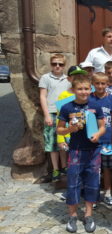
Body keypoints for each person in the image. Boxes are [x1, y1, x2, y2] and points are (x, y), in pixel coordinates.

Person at [56, 75, 106, 233]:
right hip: (76, 150)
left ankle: (88, 215)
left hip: (93, 150)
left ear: (90, 88)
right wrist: (70, 130)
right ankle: (72, 216)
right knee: (73, 183)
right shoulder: (67, 107)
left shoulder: (95, 105)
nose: (83, 92)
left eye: (86, 88)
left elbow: (103, 126)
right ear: (74, 89)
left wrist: (98, 135)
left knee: (92, 183)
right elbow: (59, 129)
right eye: (80, 89)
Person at [89, 72, 112, 207]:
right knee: (94, 169)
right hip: (93, 140)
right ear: (93, 83)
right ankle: (93, 195)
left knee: (107, 168)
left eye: (103, 83)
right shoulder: (89, 99)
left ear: (107, 84)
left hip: (107, 140)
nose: (100, 86)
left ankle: (107, 193)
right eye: (97, 83)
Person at [39, 53, 70, 182]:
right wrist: (46, 115)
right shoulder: (45, 78)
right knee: (52, 143)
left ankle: (64, 166)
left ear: (64, 66)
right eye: (54, 64)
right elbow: (42, 96)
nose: (57, 66)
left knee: (62, 142)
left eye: (60, 64)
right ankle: (56, 169)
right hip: (52, 113)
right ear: (51, 64)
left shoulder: (68, 79)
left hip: (63, 114)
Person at [56, 66, 88, 155]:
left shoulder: (88, 93)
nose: (78, 78)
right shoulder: (63, 96)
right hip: (69, 135)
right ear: (69, 79)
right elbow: (60, 119)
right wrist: (60, 139)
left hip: (87, 135)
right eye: (75, 76)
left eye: (81, 76)